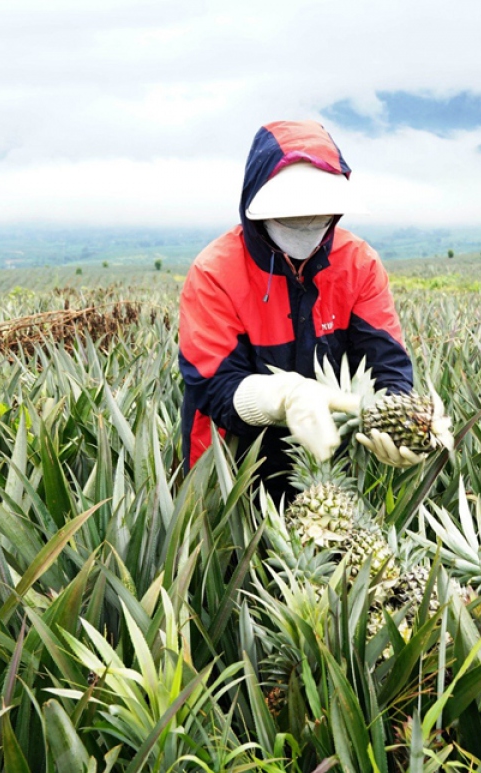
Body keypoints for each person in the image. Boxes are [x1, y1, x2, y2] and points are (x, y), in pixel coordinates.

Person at [179, 120, 445, 500]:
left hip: (328, 464)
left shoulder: (358, 264)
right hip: (228, 466)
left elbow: (387, 363)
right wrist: (281, 396)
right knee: (228, 557)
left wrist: (397, 421)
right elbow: (212, 385)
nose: (306, 226)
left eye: (318, 214)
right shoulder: (215, 272)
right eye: (291, 214)